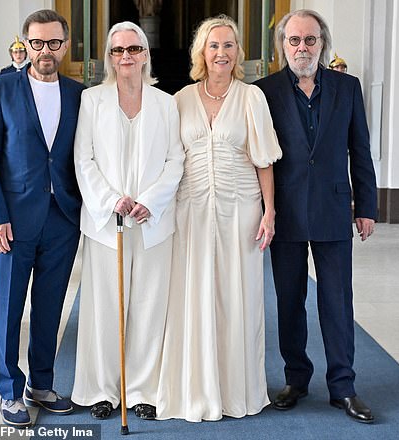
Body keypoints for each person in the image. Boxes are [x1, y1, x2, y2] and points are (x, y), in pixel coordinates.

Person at [156, 15, 282, 422]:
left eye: (229, 46)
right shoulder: (180, 99)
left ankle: (237, 390)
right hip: (190, 210)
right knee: (192, 296)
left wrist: (269, 212)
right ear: (201, 53)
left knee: (236, 296)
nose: (221, 53)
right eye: (214, 46)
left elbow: (264, 161)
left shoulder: (251, 98)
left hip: (240, 210)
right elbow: (169, 161)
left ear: (237, 53)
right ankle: (195, 388)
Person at [254, 9, 377, 423]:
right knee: (289, 301)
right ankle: (296, 379)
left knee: (337, 302)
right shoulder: (264, 91)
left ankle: (343, 387)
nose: (302, 47)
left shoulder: (347, 87)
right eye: (294, 40)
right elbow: (257, 158)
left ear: (322, 43)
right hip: (285, 212)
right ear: (283, 46)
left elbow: (360, 149)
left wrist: (368, 207)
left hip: (333, 208)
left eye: (310, 40)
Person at [0, 9, 85, 428]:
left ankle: (41, 384)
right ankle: (8, 390)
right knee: (9, 308)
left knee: (48, 306)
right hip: (12, 223)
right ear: (25, 44)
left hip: (62, 219)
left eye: (53, 43)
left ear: (65, 45)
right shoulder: (0, 89)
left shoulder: (79, 94)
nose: (45, 50)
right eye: (37, 42)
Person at [72, 21, 184, 421]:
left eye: (133, 49)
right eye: (118, 51)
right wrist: (110, 200)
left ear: (145, 54)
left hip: (152, 223)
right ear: (109, 57)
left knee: (149, 306)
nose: (126, 57)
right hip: (106, 223)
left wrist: (150, 202)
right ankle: (103, 389)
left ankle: (142, 390)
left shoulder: (166, 103)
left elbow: (176, 159)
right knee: (106, 307)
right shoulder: (92, 100)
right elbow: (82, 159)